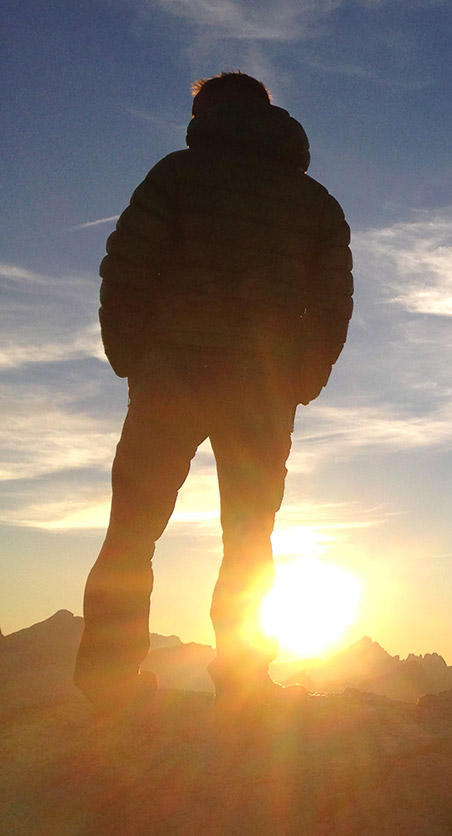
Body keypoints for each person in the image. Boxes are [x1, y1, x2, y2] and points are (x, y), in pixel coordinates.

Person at [76, 72, 354, 712]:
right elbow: (332, 303)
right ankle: (244, 680)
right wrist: (304, 376)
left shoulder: (176, 175)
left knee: (132, 531)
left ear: (208, 113)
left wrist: (131, 352)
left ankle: (108, 682)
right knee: (250, 536)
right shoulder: (316, 203)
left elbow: (125, 261)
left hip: (171, 375)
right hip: (262, 386)